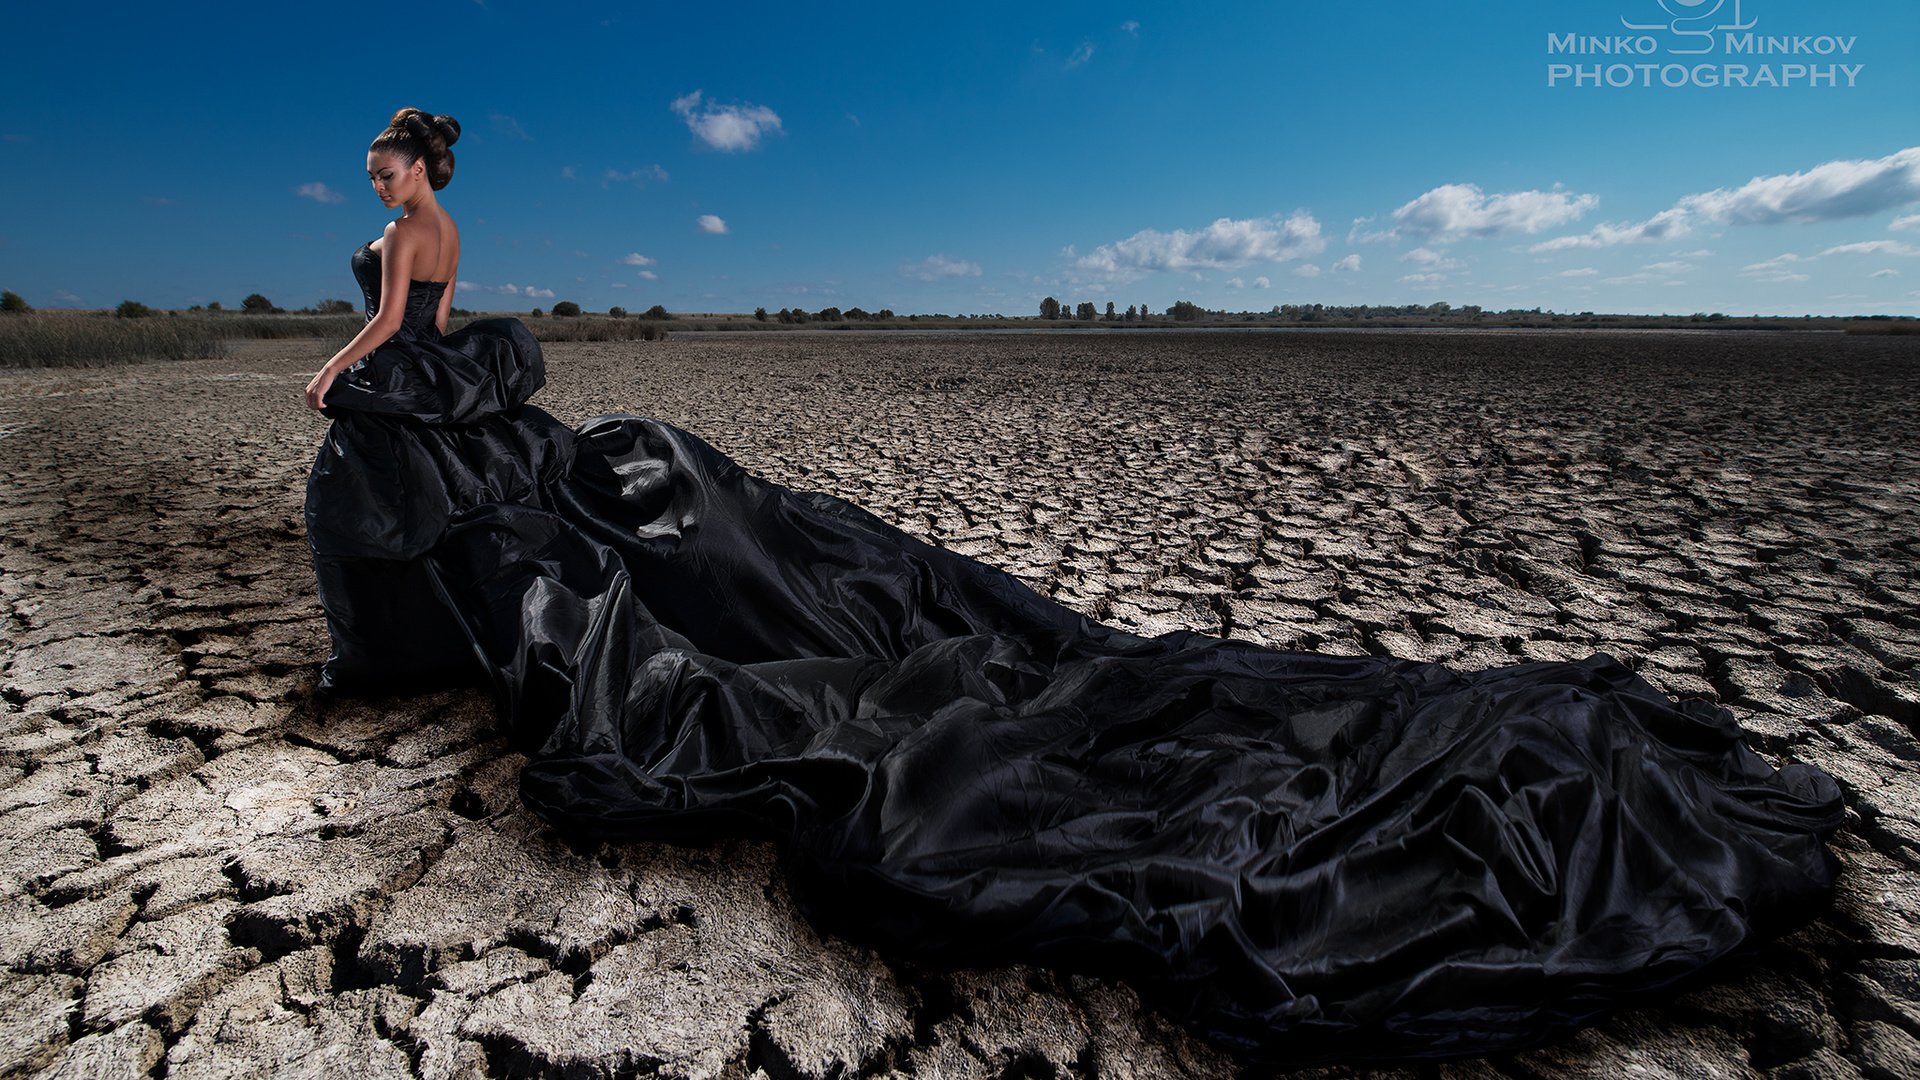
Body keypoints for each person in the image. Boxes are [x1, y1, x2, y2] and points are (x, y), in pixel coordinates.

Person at [302, 108, 1845, 1067]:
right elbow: (439, 337)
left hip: (449, 436)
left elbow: (392, 345)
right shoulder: (441, 236)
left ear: (419, 171)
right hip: (474, 436)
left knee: (880, 657)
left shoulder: (404, 242)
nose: (379, 184)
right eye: (381, 171)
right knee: (687, 549)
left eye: (388, 165)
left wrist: (339, 364)